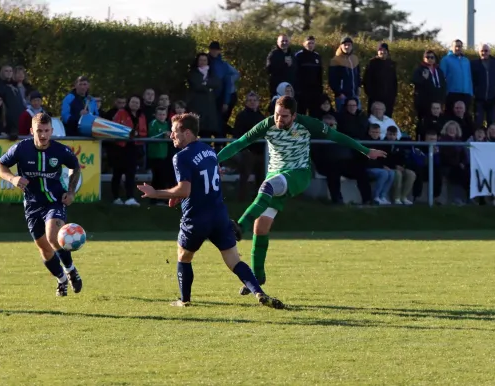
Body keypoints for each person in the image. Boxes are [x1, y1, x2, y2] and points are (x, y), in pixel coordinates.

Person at [217, 96, 387, 294]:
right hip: (276, 176)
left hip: (298, 174)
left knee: (266, 187)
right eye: (277, 115)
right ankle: (258, 276)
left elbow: (336, 136)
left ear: (294, 115)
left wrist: (365, 150)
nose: (279, 119)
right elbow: (240, 143)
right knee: (261, 227)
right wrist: (214, 160)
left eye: (284, 116)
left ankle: (239, 226)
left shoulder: (308, 124)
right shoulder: (267, 124)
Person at [136, 113, 284, 309]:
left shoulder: (180, 157)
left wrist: (155, 193)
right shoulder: (209, 151)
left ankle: (184, 300)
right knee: (233, 260)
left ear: (187, 133)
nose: (171, 136)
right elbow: (202, 183)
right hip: (219, 215)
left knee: (184, 256)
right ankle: (259, 292)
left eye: (174, 132)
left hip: (196, 217)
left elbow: (185, 189)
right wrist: (179, 195)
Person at [0, 113, 83, 297]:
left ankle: (71, 269)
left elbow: (75, 166)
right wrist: (13, 178)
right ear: (31, 131)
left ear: (51, 131)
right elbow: (0, 166)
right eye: (39, 131)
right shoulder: (21, 148)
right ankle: (61, 279)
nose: (43, 135)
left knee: (53, 236)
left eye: (46, 131)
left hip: (55, 201)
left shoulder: (60, 151)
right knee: (44, 249)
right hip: (32, 205)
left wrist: (72, 191)